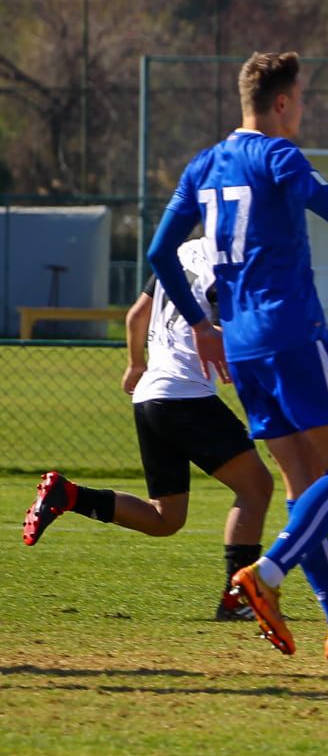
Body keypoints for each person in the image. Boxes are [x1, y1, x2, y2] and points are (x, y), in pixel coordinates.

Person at [143, 50, 328, 661]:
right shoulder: (278, 156)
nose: (304, 108)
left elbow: (160, 253)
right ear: (280, 103)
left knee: (304, 491)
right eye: (301, 98)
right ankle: (266, 576)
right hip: (293, 332)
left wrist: (200, 326)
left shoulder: (203, 165)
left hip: (240, 344)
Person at [23, 236, 275, 622]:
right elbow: (227, 343)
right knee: (256, 487)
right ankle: (237, 597)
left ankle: (69, 495)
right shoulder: (231, 264)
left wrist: (136, 363)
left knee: (165, 519)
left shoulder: (182, 251)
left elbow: (136, 315)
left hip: (149, 397)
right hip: (185, 396)